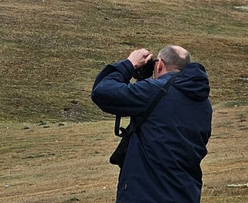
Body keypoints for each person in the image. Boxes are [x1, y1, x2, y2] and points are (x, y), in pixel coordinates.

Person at [91, 45, 212, 203]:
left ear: (160, 64)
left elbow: (101, 91)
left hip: (147, 194)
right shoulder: (203, 103)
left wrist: (130, 64)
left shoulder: (154, 91)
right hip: (186, 193)